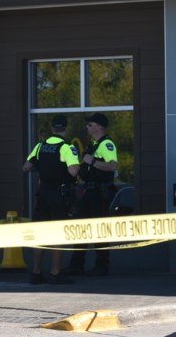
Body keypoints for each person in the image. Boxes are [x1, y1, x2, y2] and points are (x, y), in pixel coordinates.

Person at [22, 115, 80, 284]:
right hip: (59, 195)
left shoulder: (40, 146)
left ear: (52, 129)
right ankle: (55, 273)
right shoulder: (67, 148)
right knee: (58, 234)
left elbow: (26, 167)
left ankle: (36, 272)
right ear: (65, 129)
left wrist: (42, 166)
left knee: (40, 233)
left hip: (43, 195)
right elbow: (74, 171)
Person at [64, 112, 118, 276]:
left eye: (90, 124)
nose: (87, 127)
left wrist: (92, 161)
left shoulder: (107, 144)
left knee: (99, 229)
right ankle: (76, 265)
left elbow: (112, 166)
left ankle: (102, 266)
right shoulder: (94, 144)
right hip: (88, 191)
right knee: (82, 228)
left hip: (100, 193)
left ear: (99, 127)